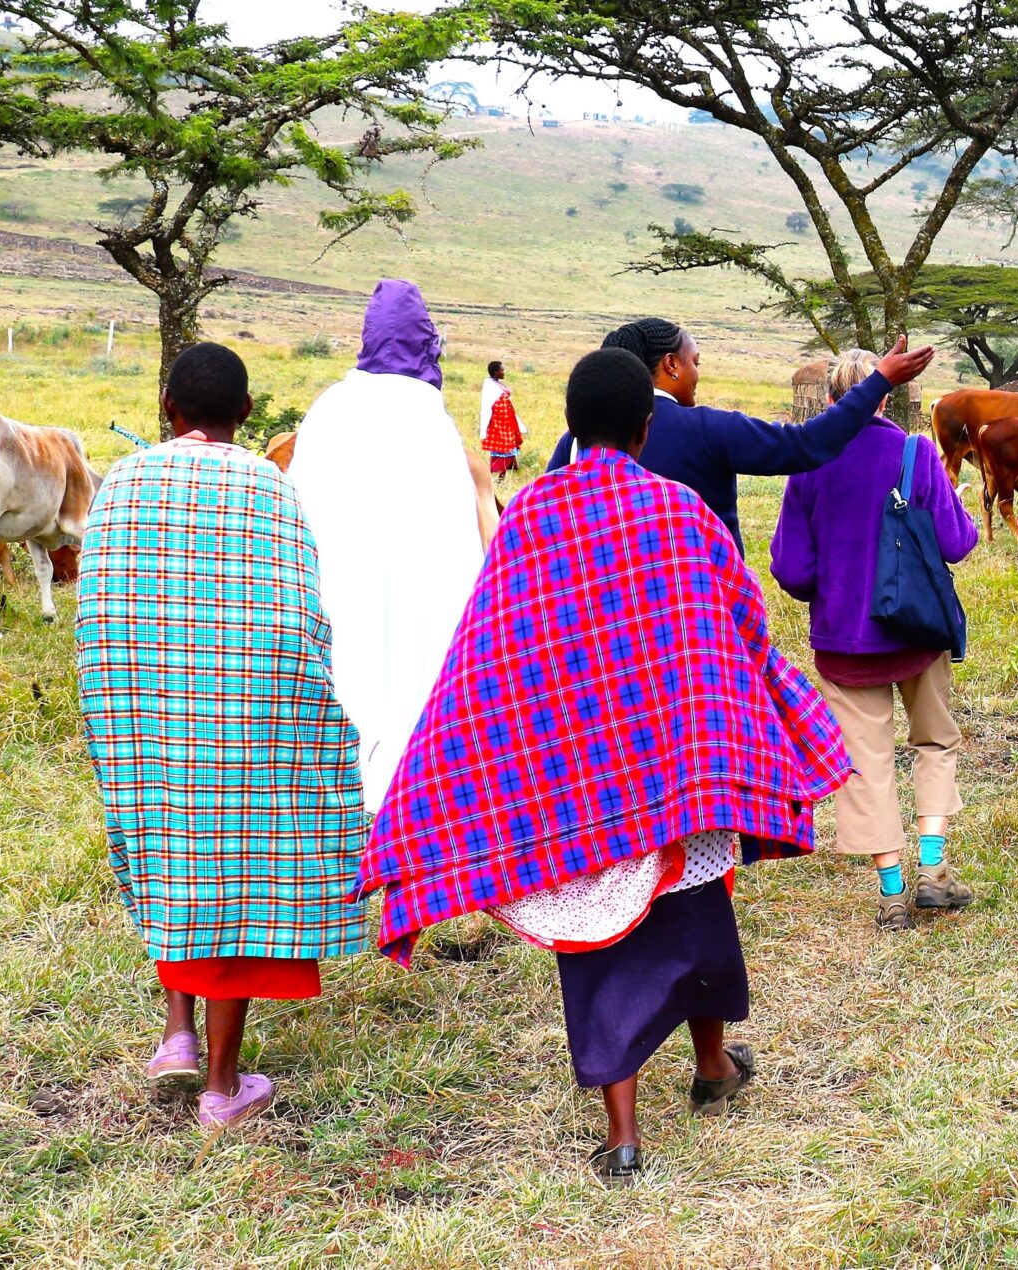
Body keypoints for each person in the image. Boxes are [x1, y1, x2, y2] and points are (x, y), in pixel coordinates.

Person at [361, 348, 853, 1184]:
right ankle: (711, 1066)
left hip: (570, 783)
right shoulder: (678, 510)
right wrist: (780, 715)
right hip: (674, 769)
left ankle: (626, 1133)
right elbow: (741, 624)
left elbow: (487, 652)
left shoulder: (528, 516)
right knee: (697, 916)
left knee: (595, 948)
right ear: (646, 427)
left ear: (570, 426)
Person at [74, 342, 372, 1130]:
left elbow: (100, 608)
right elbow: (301, 613)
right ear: (245, 412)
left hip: (148, 702)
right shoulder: (271, 486)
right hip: (250, 708)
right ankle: (222, 1086)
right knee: (240, 872)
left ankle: (177, 1033)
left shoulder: (125, 481)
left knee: (174, 849)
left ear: (167, 406)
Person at [771, 349, 979, 931]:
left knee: (864, 763)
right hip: (918, 631)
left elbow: (792, 571)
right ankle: (933, 870)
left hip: (844, 641)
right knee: (935, 742)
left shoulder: (809, 461)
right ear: (885, 397)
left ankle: (891, 892)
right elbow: (957, 543)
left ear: (830, 398)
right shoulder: (916, 452)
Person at [292, 279, 488, 812]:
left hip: (339, 584)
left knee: (345, 673)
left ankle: (333, 784)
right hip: (417, 597)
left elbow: (302, 509)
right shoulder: (431, 419)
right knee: (413, 675)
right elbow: (456, 538)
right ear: (427, 342)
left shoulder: (330, 409)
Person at [543, 317, 938, 545]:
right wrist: (877, 382)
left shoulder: (576, 445)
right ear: (671, 365)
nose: (698, 373)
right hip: (702, 613)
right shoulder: (710, 430)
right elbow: (807, 443)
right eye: (694, 361)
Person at [480, 360, 522, 477]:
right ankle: (499, 476)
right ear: (495, 372)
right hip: (498, 422)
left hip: (507, 420)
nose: (504, 372)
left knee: (508, 445)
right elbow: (487, 406)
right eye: (502, 370)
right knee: (503, 447)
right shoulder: (489, 386)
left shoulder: (498, 384)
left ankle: (506, 472)